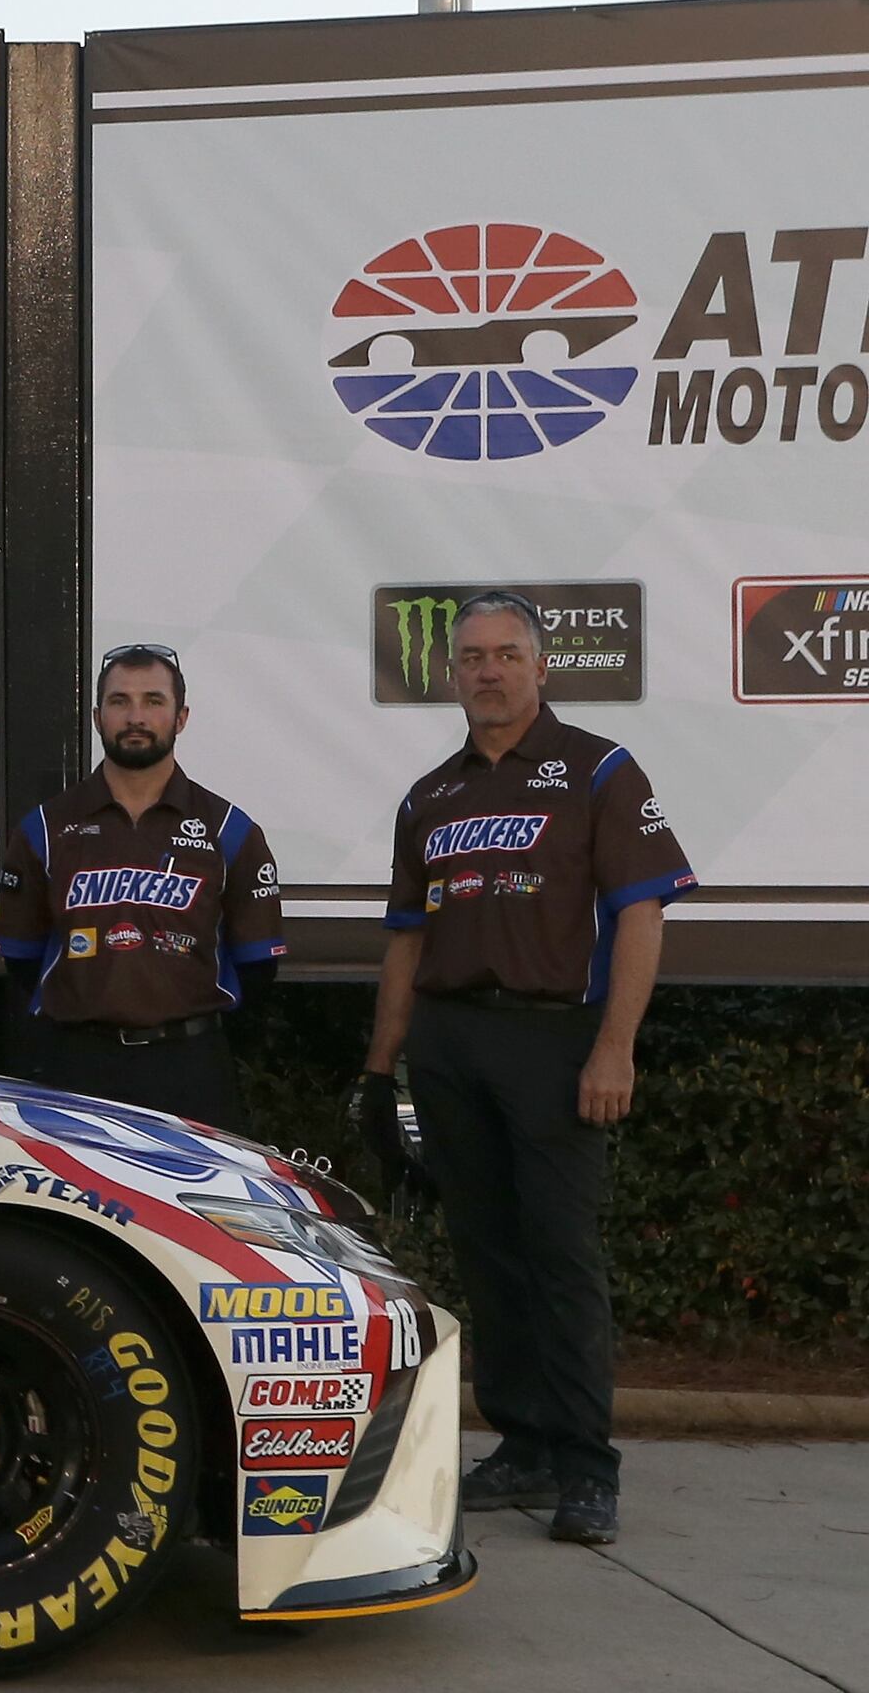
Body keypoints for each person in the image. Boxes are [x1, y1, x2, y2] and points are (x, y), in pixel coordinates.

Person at [357, 591, 693, 1549]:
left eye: (507, 654)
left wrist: (615, 1046)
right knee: (487, 1252)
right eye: (473, 657)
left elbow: (640, 915)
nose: (490, 671)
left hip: (554, 1040)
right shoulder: (430, 796)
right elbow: (407, 941)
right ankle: (525, 1444)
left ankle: (587, 1466)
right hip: (450, 1041)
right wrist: (380, 1070)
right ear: (452, 673)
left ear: (542, 667)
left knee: (560, 1254)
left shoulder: (599, 770)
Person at [0, 645, 285, 1130]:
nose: (136, 717)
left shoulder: (229, 830)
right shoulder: (45, 828)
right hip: (76, 1063)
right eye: (119, 701)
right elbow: (22, 959)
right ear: (96, 717)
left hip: (190, 1065)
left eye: (153, 701)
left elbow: (258, 966)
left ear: (181, 717)